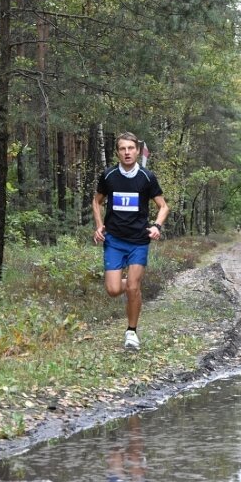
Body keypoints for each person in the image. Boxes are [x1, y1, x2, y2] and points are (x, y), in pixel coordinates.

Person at [92, 132, 169, 351]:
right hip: (114, 240)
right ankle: (130, 286)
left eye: (130, 148)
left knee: (133, 287)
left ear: (137, 151)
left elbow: (163, 206)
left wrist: (156, 226)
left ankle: (131, 332)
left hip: (138, 240)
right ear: (117, 152)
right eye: (122, 149)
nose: (127, 152)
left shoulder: (147, 177)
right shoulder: (108, 176)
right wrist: (99, 226)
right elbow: (96, 201)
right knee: (114, 289)